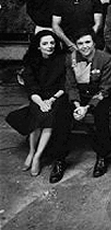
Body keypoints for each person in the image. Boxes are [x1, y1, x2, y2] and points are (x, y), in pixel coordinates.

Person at [6, 31, 69, 180]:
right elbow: (31, 88)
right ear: (38, 46)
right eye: (45, 44)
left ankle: (37, 156)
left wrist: (51, 100)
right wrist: (41, 102)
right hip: (37, 97)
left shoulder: (62, 59)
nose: (50, 46)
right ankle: (32, 151)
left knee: (49, 117)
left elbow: (64, 85)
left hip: (57, 96)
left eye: (52, 43)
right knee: (38, 115)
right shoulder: (31, 62)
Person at [65, 29, 111, 177]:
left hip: (99, 96)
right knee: (61, 113)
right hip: (79, 97)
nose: (84, 46)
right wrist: (77, 106)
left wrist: (87, 107)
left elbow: (105, 88)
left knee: (101, 114)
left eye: (87, 42)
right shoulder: (71, 59)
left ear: (94, 43)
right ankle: (59, 158)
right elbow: (71, 86)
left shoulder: (106, 58)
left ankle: (102, 156)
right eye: (80, 43)